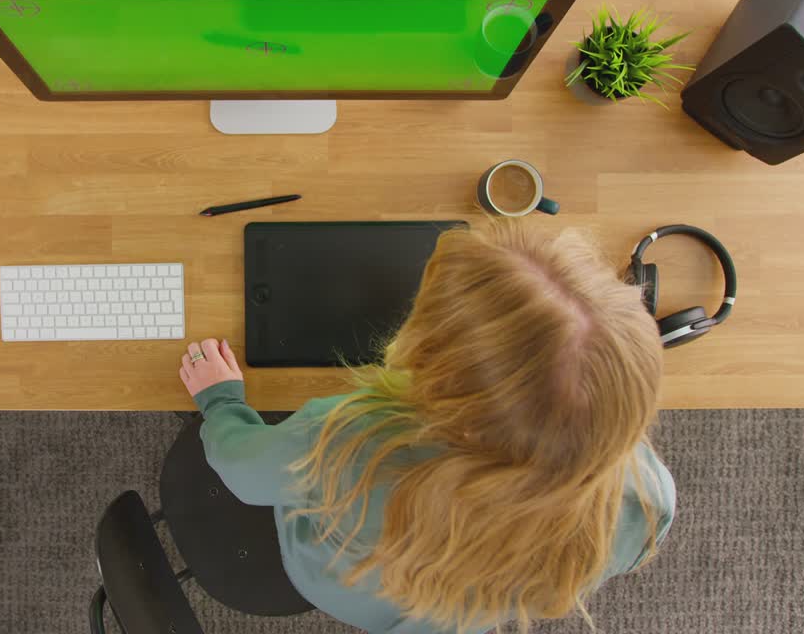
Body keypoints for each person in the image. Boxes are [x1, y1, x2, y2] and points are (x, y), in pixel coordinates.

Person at [177, 220, 675, 634]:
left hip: (343, 587)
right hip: (447, 614)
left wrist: (221, 402)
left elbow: (241, 470)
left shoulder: (348, 444)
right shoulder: (647, 502)